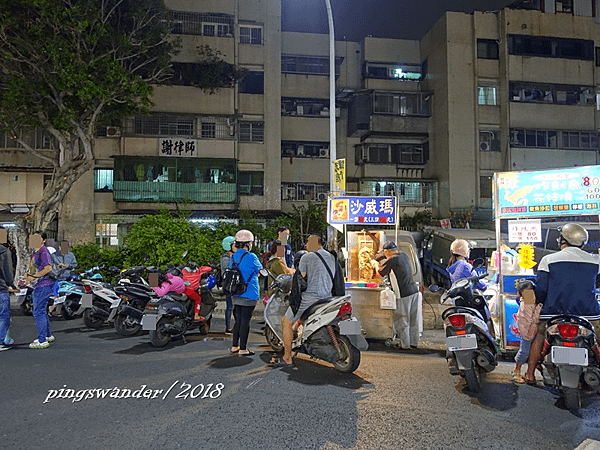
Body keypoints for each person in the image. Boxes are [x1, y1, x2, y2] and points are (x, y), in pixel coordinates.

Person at [524, 223, 600, 385]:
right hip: (589, 313)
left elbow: (542, 290)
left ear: (563, 241)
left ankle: (530, 374)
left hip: (554, 313)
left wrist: (541, 302)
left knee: (539, 338)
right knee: (598, 339)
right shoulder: (595, 261)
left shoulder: (548, 260)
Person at [270, 234, 334, 367]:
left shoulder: (306, 256)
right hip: (328, 296)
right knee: (299, 317)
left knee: (285, 322)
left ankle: (287, 357)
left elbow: (300, 277)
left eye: (307, 243)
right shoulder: (331, 256)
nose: (305, 245)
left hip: (311, 297)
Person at [372, 241, 421, 350]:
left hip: (403, 294)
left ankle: (405, 345)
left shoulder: (392, 259)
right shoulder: (404, 255)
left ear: (387, 251)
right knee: (414, 320)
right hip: (414, 291)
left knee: (402, 320)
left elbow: (380, 273)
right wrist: (380, 258)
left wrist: (375, 264)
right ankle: (414, 343)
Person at [229, 229, 262, 356]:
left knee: (238, 320)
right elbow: (260, 270)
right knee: (245, 321)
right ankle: (243, 348)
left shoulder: (233, 256)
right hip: (249, 293)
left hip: (235, 293)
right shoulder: (251, 256)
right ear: (248, 243)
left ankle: (234, 346)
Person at [25, 231, 55, 349]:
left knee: (38, 312)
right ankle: (47, 336)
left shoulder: (43, 252)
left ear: (43, 240)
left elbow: (48, 268)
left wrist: (34, 277)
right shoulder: (36, 252)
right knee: (42, 310)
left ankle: (42, 340)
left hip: (44, 284)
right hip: (41, 284)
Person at [0, 242, 19, 351]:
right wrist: (11, 284)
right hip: (1, 288)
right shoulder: (3, 251)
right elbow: (7, 271)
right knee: (3, 316)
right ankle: (1, 341)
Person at [220, 236, 236, 334]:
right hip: (229, 284)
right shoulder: (226, 258)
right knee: (230, 306)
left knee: (233, 306)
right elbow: (226, 271)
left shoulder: (231, 256)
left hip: (232, 284)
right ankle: (228, 326)